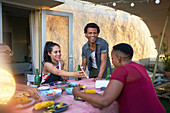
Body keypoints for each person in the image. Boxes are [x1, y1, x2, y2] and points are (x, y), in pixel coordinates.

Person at [73, 43, 166, 113]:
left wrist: (78, 93)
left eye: (112, 58)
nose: (112, 61)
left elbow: (104, 101)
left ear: (119, 58)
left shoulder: (122, 70)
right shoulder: (139, 67)